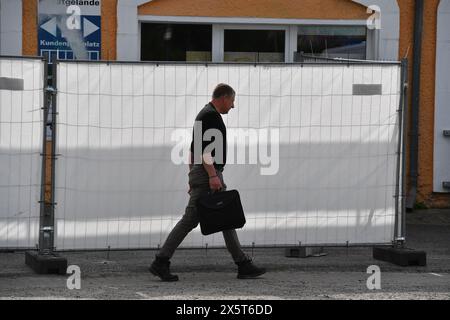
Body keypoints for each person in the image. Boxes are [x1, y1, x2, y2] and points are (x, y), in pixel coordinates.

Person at [150, 83, 266, 281]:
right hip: (208, 173)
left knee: (226, 216)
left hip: (202, 173)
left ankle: (243, 264)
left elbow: (193, 150)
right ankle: (161, 261)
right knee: (191, 220)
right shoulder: (210, 116)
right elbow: (205, 151)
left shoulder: (204, 114)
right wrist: (212, 175)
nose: (233, 106)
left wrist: (192, 176)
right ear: (223, 98)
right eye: (232, 101)